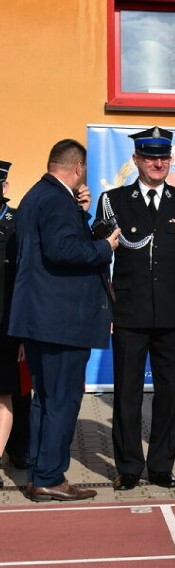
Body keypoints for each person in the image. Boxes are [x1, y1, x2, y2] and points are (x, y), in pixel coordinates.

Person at [96, 126, 175, 491]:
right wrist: (106, 310)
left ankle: (161, 466)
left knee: (169, 393)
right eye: (150, 157)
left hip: (173, 312)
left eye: (163, 157)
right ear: (136, 160)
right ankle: (129, 467)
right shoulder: (113, 199)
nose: (158, 163)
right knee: (127, 393)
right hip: (128, 313)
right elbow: (99, 260)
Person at [10, 139, 119, 501]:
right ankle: (51, 477)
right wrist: (106, 247)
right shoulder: (56, 200)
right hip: (62, 321)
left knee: (46, 399)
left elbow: (53, 244)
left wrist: (83, 214)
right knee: (62, 401)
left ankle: (39, 473)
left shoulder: (38, 195)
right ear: (78, 169)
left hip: (42, 319)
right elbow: (62, 250)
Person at [0, 161, 28, 483]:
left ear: (5, 188)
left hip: (11, 323)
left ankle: (19, 448)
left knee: (16, 391)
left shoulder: (17, 222)